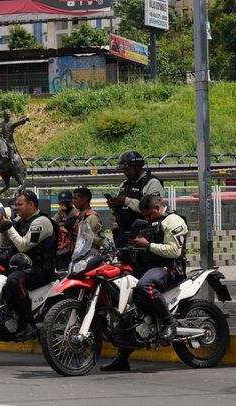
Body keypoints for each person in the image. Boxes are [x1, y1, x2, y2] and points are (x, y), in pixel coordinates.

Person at [101, 194, 188, 372]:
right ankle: (122, 359)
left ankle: (168, 322)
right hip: (148, 268)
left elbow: (174, 251)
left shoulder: (173, 220)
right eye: (145, 216)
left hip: (169, 269)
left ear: (157, 208)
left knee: (144, 286)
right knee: (126, 309)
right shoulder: (145, 224)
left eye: (149, 215)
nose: (147, 219)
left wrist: (147, 245)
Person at [0, 190, 57, 363]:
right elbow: (9, 244)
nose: (16, 208)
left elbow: (23, 245)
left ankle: (28, 322)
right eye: (16, 204)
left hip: (40, 269)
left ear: (31, 205)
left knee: (13, 281)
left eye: (20, 204)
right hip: (21, 265)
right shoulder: (20, 220)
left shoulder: (42, 222)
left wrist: (9, 228)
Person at [107, 151, 164, 254]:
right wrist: (114, 206)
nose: (125, 172)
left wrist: (126, 201)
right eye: (123, 170)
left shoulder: (152, 183)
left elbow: (152, 208)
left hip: (142, 235)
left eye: (127, 169)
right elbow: (119, 210)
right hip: (122, 235)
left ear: (137, 167)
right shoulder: (124, 184)